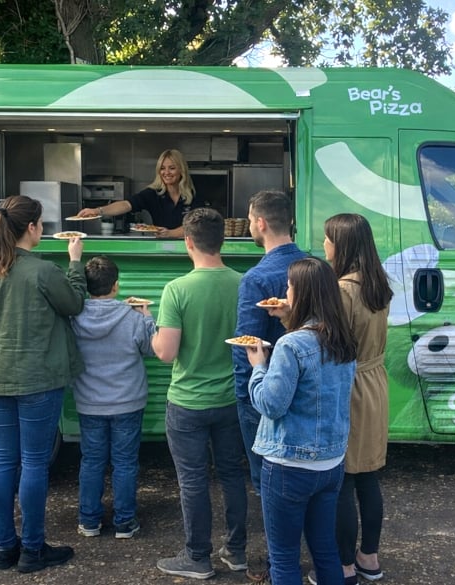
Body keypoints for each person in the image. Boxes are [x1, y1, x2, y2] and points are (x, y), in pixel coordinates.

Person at [0, 195, 86, 574]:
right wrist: (75, 262)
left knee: (4, 460)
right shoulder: (42, 270)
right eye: (39, 223)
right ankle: (33, 550)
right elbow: (73, 304)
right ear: (32, 228)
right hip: (38, 376)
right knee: (34, 463)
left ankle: (5, 548)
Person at [245, 257, 357, 585]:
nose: (285, 291)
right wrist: (289, 321)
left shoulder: (290, 345)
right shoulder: (342, 338)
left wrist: (258, 367)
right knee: (324, 549)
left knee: (283, 556)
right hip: (330, 462)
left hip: (288, 465)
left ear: (303, 293)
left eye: (290, 286)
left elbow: (271, 404)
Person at [152, 208, 249, 580]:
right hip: (230, 400)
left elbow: (166, 352)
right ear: (221, 241)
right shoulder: (242, 284)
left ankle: (197, 557)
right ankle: (237, 551)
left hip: (188, 402)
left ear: (188, 242)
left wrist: (152, 330)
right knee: (232, 475)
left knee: (192, 480)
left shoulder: (177, 289)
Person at [324, 213, 394, 584]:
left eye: (327, 239)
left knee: (343, 480)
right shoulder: (378, 284)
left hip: (350, 387)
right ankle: (370, 558)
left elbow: (331, 344)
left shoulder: (343, 289)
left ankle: (343, 566)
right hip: (376, 383)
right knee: (368, 477)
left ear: (342, 245)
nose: (324, 245)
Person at [71, 255, 156, 540]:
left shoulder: (74, 317)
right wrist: (147, 317)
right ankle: (124, 522)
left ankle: (89, 521)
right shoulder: (132, 317)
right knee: (125, 462)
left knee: (92, 461)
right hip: (128, 401)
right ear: (116, 286)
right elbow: (151, 349)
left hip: (89, 402)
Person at [233, 190, 308, 497]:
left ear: (260, 223)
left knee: (268, 480)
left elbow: (248, 344)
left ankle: (281, 542)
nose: (251, 226)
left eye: (250, 220)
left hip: (269, 393)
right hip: (309, 387)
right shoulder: (316, 268)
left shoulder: (256, 278)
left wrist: (244, 395)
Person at [77, 149, 200, 238]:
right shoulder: (153, 193)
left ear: (181, 170)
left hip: (190, 248)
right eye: (162, 168)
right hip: (160, 246)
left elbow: (199, 224)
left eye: (172, 168)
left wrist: (171, 233)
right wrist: (98, 211)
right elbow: (126, 204)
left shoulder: (194, 194)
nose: (166, 172)